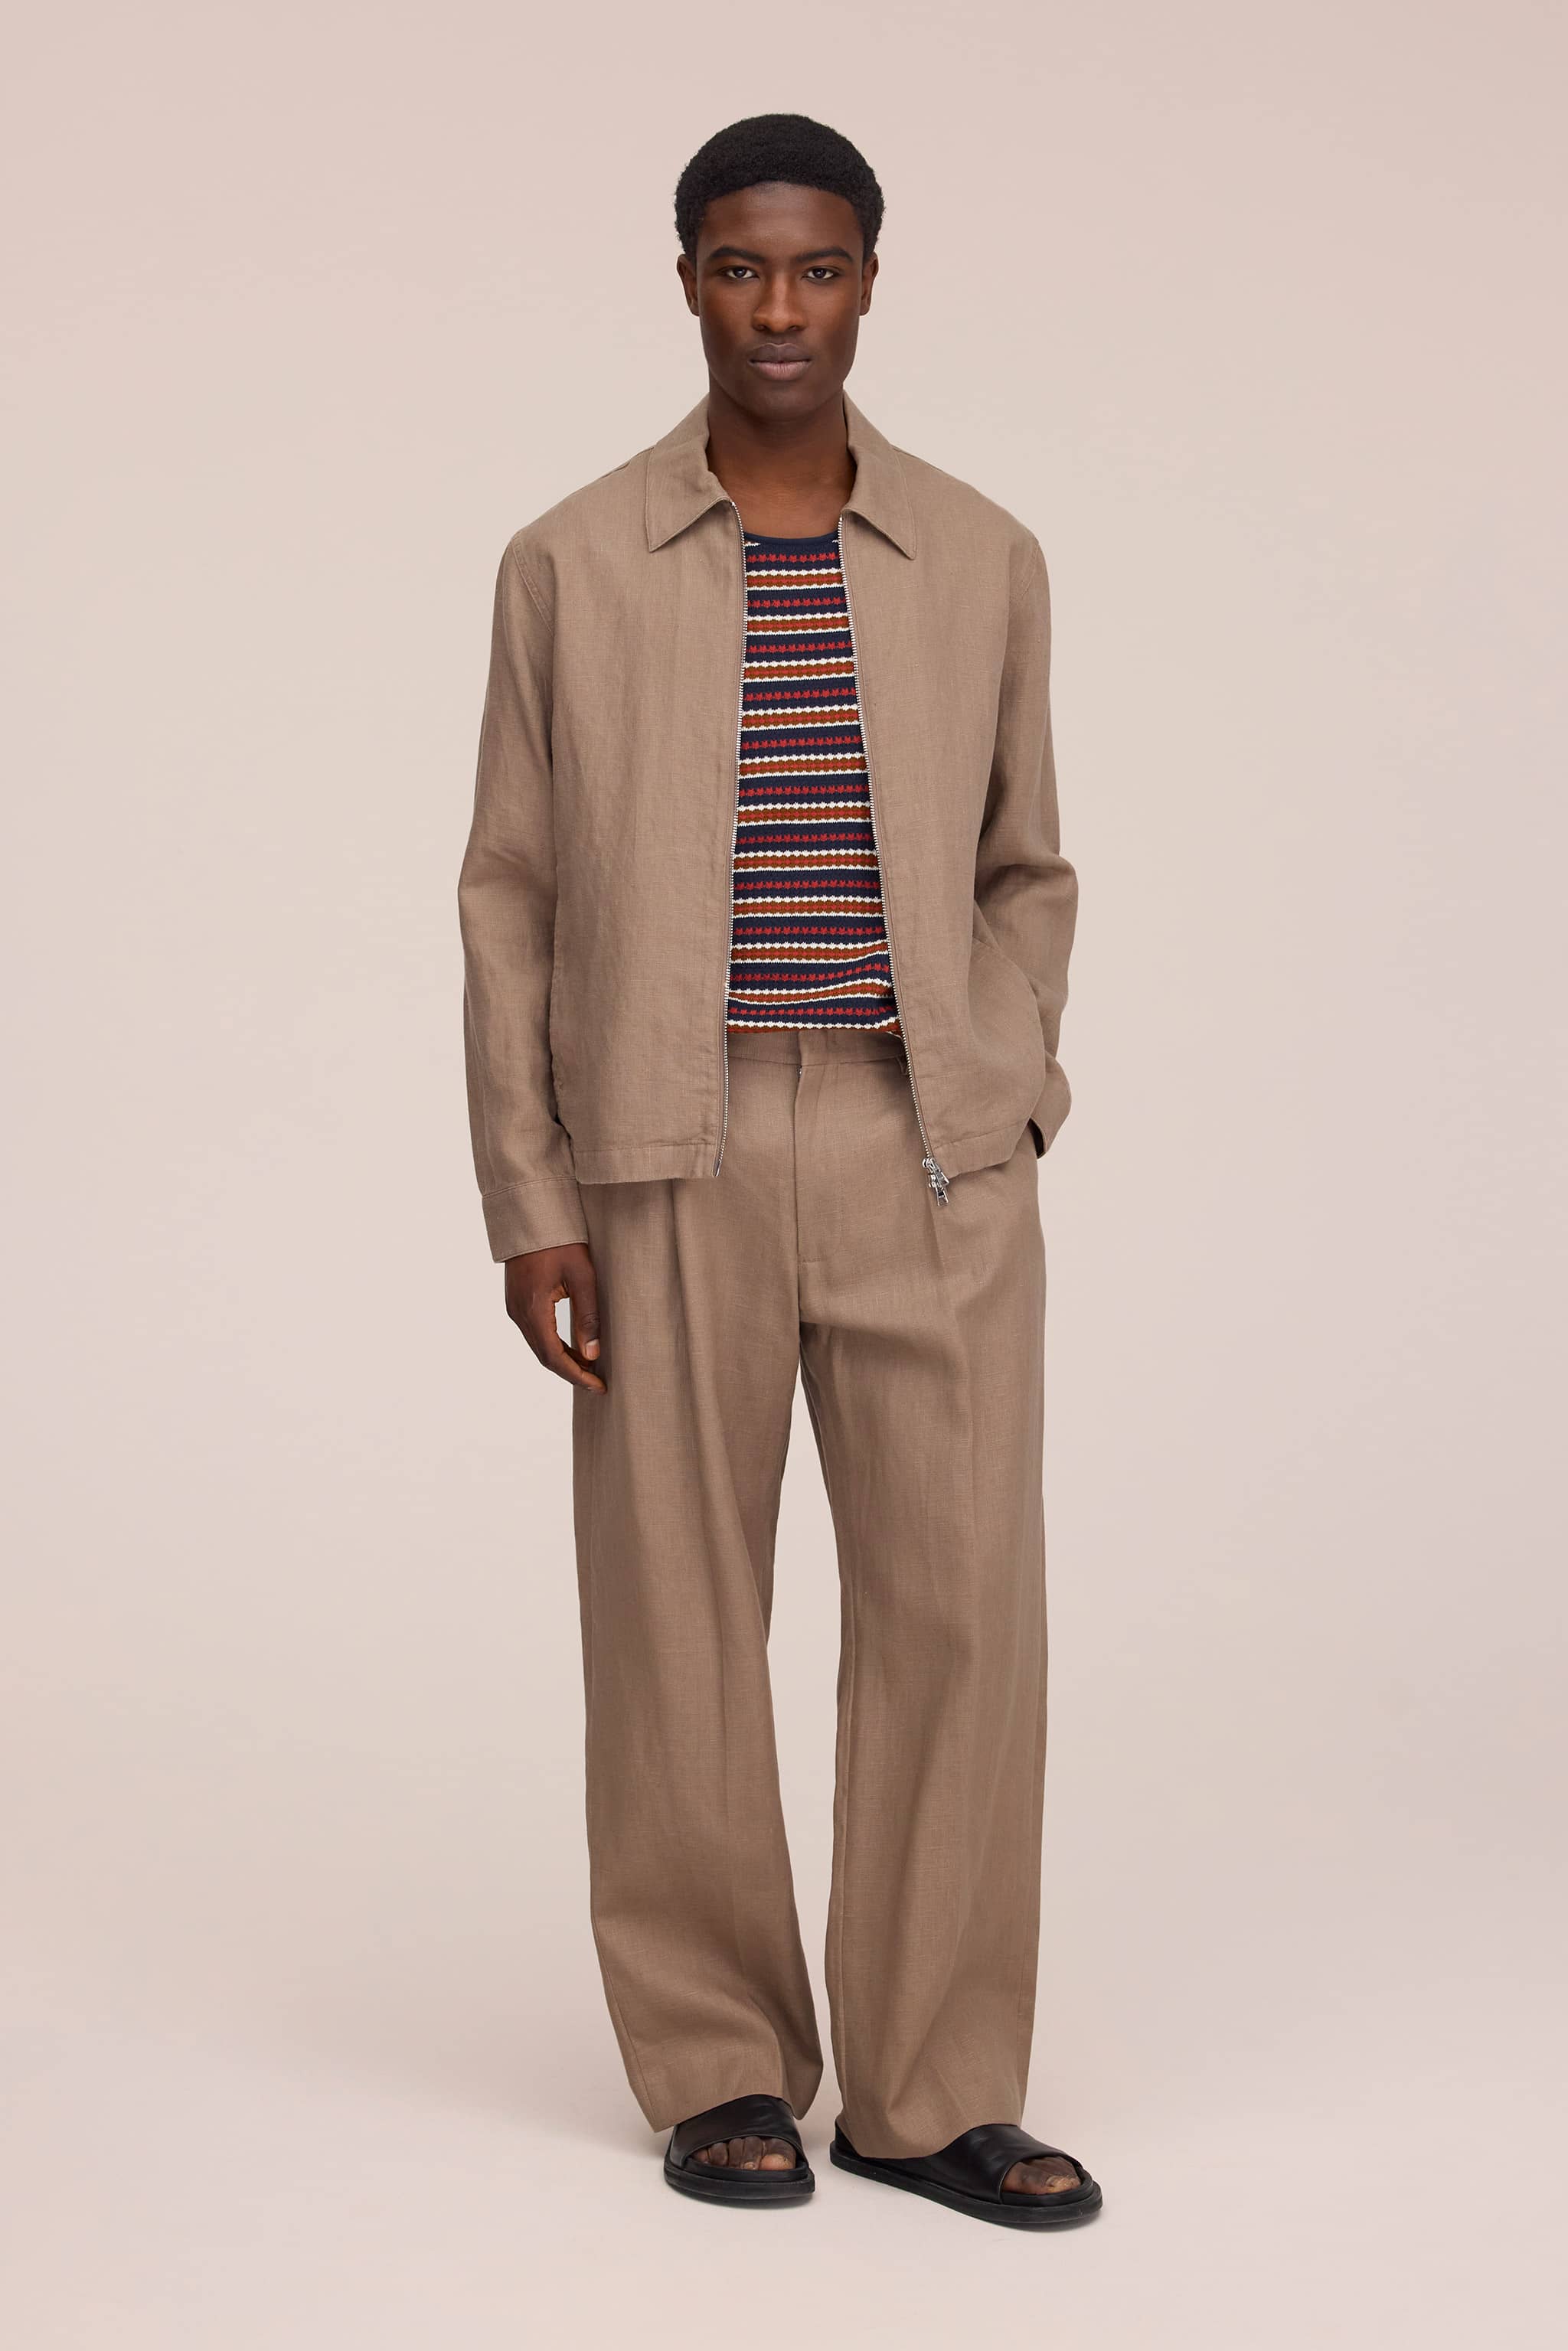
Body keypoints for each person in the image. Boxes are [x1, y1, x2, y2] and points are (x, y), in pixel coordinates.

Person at [458, 113, 1099, 2230]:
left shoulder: (983, 556)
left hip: (932, 1157)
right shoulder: (570, 563)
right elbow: (510, 896)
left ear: (872, 281)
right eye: (740, 268)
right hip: (674, 1145)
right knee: (675, 1622)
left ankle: (929, 2090)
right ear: (687, 282)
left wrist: (1009, 1086)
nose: (780, 310)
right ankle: (722, 2063)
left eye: (818, 268)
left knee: (962, 1618)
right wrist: (535, 1195)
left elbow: (1028, 864)